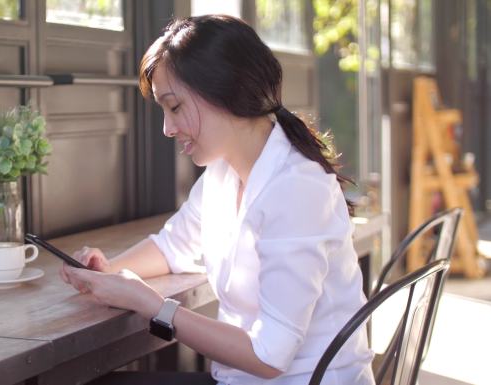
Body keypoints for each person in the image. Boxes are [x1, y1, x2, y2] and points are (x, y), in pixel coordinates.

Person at [60, 15, 375, 385]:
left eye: (174, 107)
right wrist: (109, 272)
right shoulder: (225, 171)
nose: (167, 128)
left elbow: (269, 356)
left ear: (225, 91)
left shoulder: (296, 188)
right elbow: (173, 246)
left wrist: (150, 304)